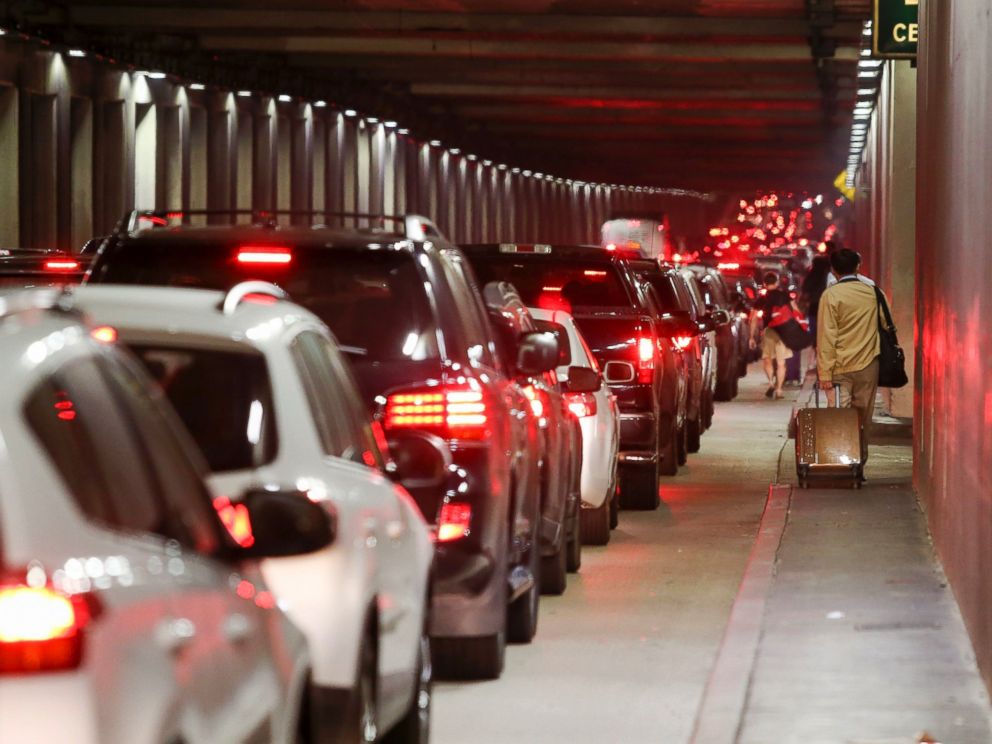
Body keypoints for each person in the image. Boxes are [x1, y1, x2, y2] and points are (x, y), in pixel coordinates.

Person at [817, 248, 889, 475]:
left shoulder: (831, 296)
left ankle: (840, 463)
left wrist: (824, 373)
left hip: (839, 367)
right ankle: (859, 463)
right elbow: (886, 323)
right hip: (868, 364)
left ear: (833, 270)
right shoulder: (873, 292)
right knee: (863, 417)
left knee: (839, 416)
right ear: (858, 267)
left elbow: (827, 336)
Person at [750, 271, 800, 400]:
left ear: (765, 284)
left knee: (767, 359)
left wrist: (751, 336)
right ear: (777, 283)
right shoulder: (785, 296)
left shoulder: (762, 298)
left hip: (769, 331)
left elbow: (754, 318)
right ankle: (779, 390)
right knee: (781, 362)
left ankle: (771, 383)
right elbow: (796, 311)